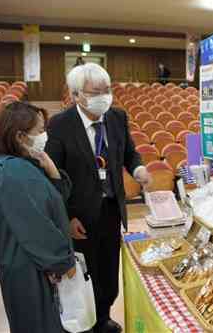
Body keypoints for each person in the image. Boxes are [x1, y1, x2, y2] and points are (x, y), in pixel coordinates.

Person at [46, 63, 150, 333]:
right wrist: (66, 217)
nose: (103, 96)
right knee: (86, 271)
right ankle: (86, 324)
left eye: (107, 90)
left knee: (107, 270)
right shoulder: (60, 124)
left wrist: (137, 167)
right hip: (79, 214)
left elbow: (129, 152)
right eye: (95, 92)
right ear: (76, 94)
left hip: (111, 208)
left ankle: (103, 317)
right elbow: (53, 176)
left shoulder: (117, 117)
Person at [0, 102, 76, 332]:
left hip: (36, 262)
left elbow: (55, 201)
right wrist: (62, 261)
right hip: (29, 266)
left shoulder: (26, 163)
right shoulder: (13, 171)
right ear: (20, 136)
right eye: (39, 131)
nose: (44, 136)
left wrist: (53, 172)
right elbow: (36, 227)